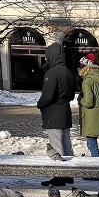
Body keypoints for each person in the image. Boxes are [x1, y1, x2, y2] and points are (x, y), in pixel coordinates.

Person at [37, 42, 76, 186]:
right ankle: (69, 174)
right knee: (66, 143)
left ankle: (59, 176)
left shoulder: (52, 73)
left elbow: (47, 96)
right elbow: (72, 95)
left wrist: (39, 104)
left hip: (53, 113)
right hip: (65, 110)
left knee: (56, 144)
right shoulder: (68, 71)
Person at [78, 54, 99, 156]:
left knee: (91, 142)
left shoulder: (87, 81)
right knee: (92, 140)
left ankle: (97, 162)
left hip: (90, 115)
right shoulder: (98, 79)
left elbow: (88, 102)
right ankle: (97, 159)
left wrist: (81, 99)